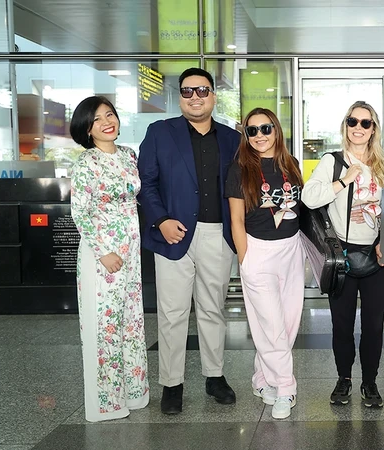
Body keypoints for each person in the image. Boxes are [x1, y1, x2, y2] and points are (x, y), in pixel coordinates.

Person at [138, 67, 239, 414]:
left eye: (202, 90)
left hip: (217, 235)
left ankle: (214, 376)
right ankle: (172, 383)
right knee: (172, 312)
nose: (195, 97)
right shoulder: (159, 133)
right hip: (172, 235)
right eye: (187, 91)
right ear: (179, 96)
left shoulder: (232, 139)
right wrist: (161, 220)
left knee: (213, 309)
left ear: (213, 95)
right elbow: (146, 184)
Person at [303, 101, 384, 408]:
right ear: (346, 125)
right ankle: (344, 379)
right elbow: (309, 197)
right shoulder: (333, 161)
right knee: (341, 324)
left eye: (365, 123)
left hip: (377, 255)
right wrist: (343, 181)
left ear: (373, 129)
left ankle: (370, 382)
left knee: (374, 325)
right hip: (342, 256)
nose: (358, 127)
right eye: (353, 121)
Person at [70, 96, 149, 422]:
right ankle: (106, 403)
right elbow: (80, 212)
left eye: (110, 114)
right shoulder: (85, 163)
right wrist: (103, 252)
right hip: (101, 256)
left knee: (131, 324)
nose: (107, 122)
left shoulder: (129, 156)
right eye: (97, 119)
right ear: (87, 130)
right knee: (104, 328)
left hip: (130, 253)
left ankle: (134, 393)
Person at [226, 108, 305, 419]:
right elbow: (235, 219)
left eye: (265, 128)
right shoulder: (239, 170)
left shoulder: (292, 165)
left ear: (276, 130)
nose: (259, 135)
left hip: (291, 251)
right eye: (252, 130)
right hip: (257, 251)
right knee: (272, 326)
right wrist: (245, 258)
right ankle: (286, 387)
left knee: (286, 324)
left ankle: (262, 378)